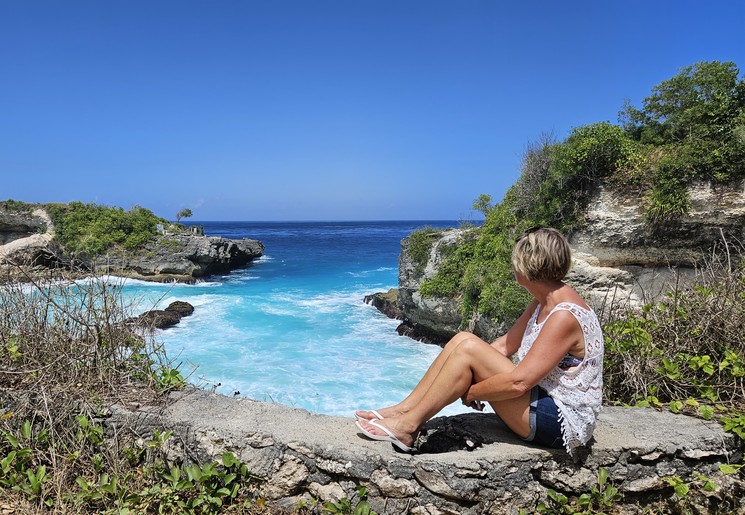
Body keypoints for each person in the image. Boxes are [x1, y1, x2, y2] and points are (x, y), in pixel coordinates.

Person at [355, 227, 603, 454]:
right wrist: (470, 371)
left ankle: (407, 427)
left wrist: (473, 391)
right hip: (541, 402)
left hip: (558, 422)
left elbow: (519, 382)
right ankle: (404, 410)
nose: (513, 266)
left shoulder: (564, 315)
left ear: (528, 265)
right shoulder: (544, 300)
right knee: (464, 340)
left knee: (470, 348)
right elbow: (505, 346)